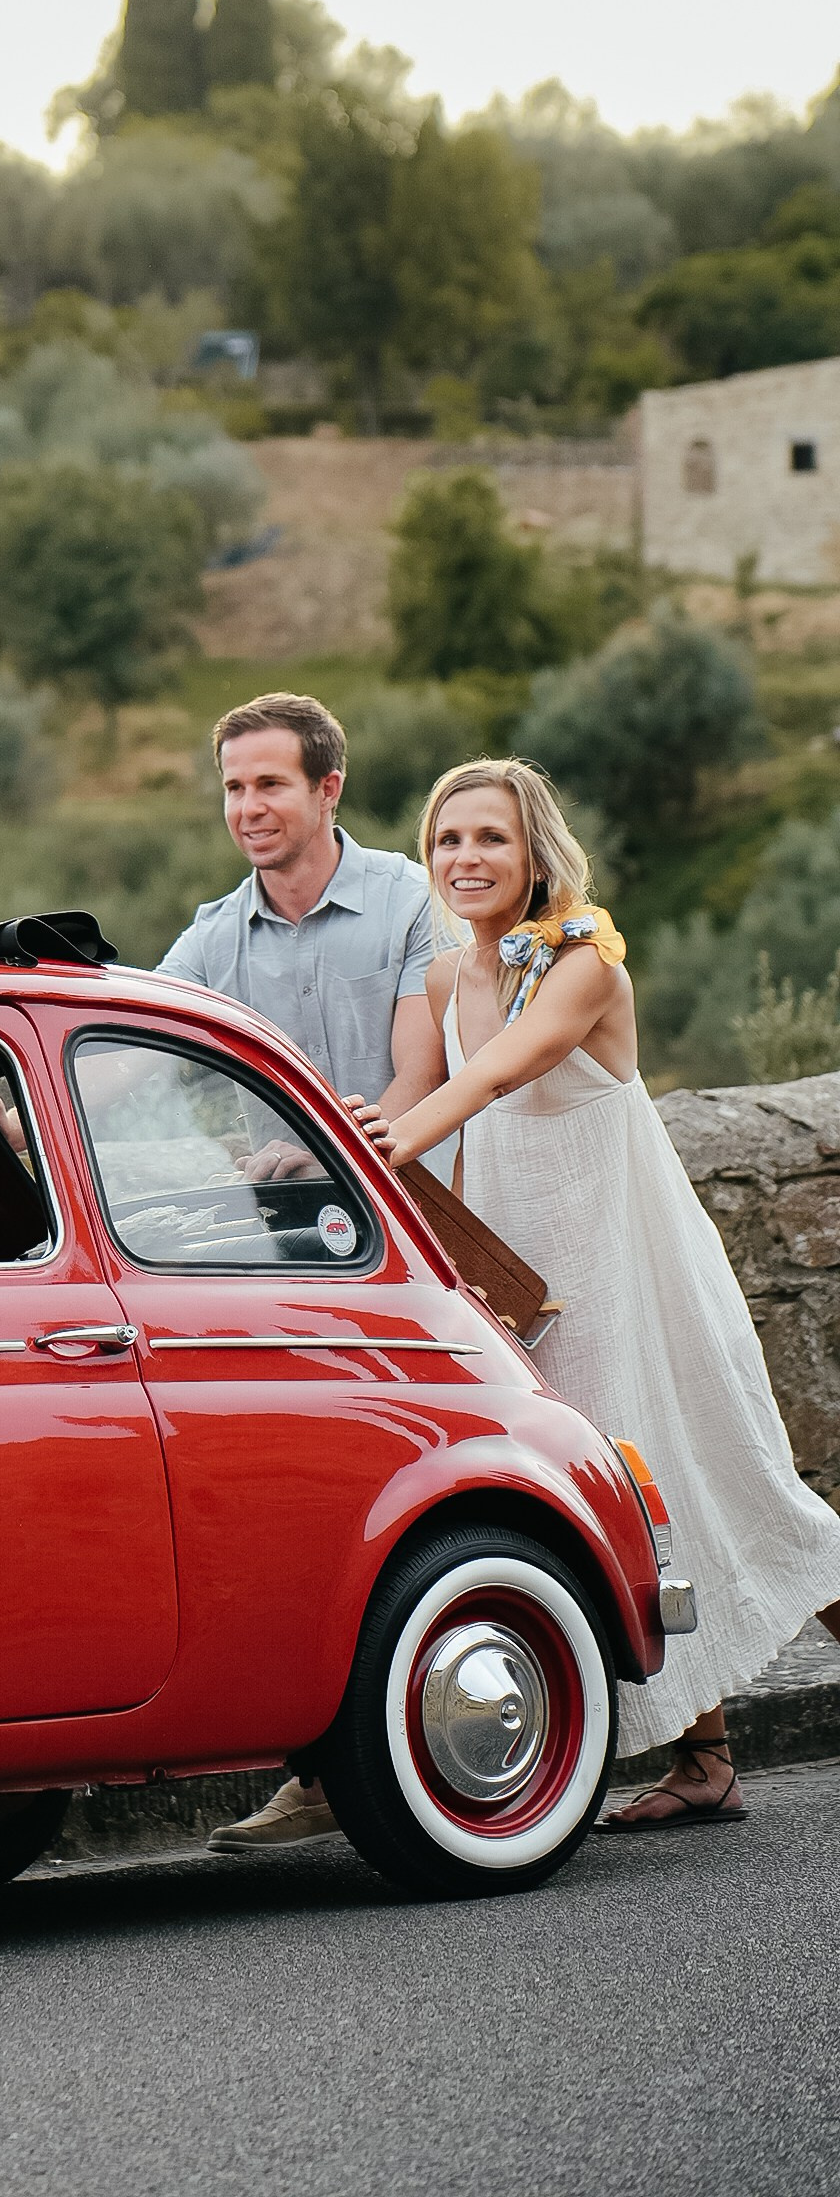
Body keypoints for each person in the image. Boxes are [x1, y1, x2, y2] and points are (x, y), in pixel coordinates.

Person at [379, 756, 840, 1828]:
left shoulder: (583, 960)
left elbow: (497, 1074)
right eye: (447, 841)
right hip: (536, 1280)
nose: (464, 859)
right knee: (619, 1497)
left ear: (534, 852)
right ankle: (705, 1760)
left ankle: (706, 1752)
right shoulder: (446, 981)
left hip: (630, 1265)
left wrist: (407, 1128)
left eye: (488, 838)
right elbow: (431, 1092)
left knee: (729, 1479)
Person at [163, 691, 455, 1853]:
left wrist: (328, 1141)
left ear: (326, 789)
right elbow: (133, 1034)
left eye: (269, 785)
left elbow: (412, 1083)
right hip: (276, 1249)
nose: (247, 809)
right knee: (301, 1505)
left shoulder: (400, 900)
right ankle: (326, 1769)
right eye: (233, 788)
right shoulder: (215, 933)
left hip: (408, 1236)